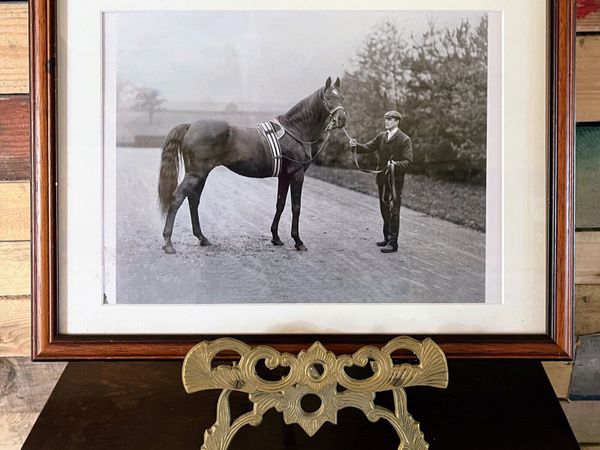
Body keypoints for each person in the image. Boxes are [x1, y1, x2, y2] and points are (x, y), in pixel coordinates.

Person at [349, 111, 413, 253]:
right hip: (382, 180)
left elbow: (408, 162)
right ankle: (386, 238)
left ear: (397, 121)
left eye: (389, 119)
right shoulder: (381, 136)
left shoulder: (404, 139)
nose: (386, 121)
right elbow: (368, 147)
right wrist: (355, 146)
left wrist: (395, 164)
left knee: (394, 211)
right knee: (384, 210)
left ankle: (393, 243)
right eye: (386, 119)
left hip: (395, 182)